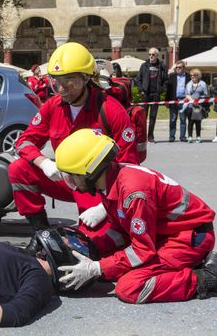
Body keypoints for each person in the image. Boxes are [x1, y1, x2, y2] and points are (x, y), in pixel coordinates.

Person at [54, 128, 217, 303]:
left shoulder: (133, 191)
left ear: (90, 171)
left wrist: (96, 268)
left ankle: (206, 278)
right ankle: (185, 266)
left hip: (189, 238)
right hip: (163, 234)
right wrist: (91, 247)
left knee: (130, 287)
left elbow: (142, 251)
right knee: (108, 267)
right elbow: (120, 231)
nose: (71, 182)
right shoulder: (111, 180)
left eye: (72, 176)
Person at [8, 42, 139, 233]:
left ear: (86, 78)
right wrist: (44, 163)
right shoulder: (53, 106)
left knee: (94, 239)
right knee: (18, 169)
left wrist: (105, 207)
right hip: (64, 177)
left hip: (96, 185)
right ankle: (42, 234)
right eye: (56, 81)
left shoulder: (110, 110)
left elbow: (130, 166)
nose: (61, 89)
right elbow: (24, 141)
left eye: (70, 81)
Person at [134, 47, 168, 143]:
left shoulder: (161, 66)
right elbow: (137, 79)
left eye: (153, 54)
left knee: (153, 117)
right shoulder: (144, 65)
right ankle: (142, 136)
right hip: (145, 94)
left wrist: (161, 90)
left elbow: (166, 80)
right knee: (143, 117)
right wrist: (141, 90)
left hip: (155, 95)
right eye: (149, 54)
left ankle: (150, 136)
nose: (151, 56)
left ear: (157, 55)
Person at [184, 68, 209, 143]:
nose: (192, 77)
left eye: (193, 75)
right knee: (190, 122)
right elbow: (187, 94)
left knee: (198, 122)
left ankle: (198, 137)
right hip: (190, 106)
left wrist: (199, 100)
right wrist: (192, 100)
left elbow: (206, 95)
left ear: (198, 76)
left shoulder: (203, 84)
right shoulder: (188, 84)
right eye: (191, 75)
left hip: (199, 106)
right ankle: (190, 137)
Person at [166, 60, 188, 142]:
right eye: (177, 67)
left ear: (184, 68)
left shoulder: (188, 76)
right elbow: (168, 89)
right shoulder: (172, 76)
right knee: (172, 119)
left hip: (183, 100)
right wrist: (167, 101)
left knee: (183, 119)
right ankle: (172, 136)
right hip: (173, 101)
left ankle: (182, 137)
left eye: (180, 67)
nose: (178, 69)